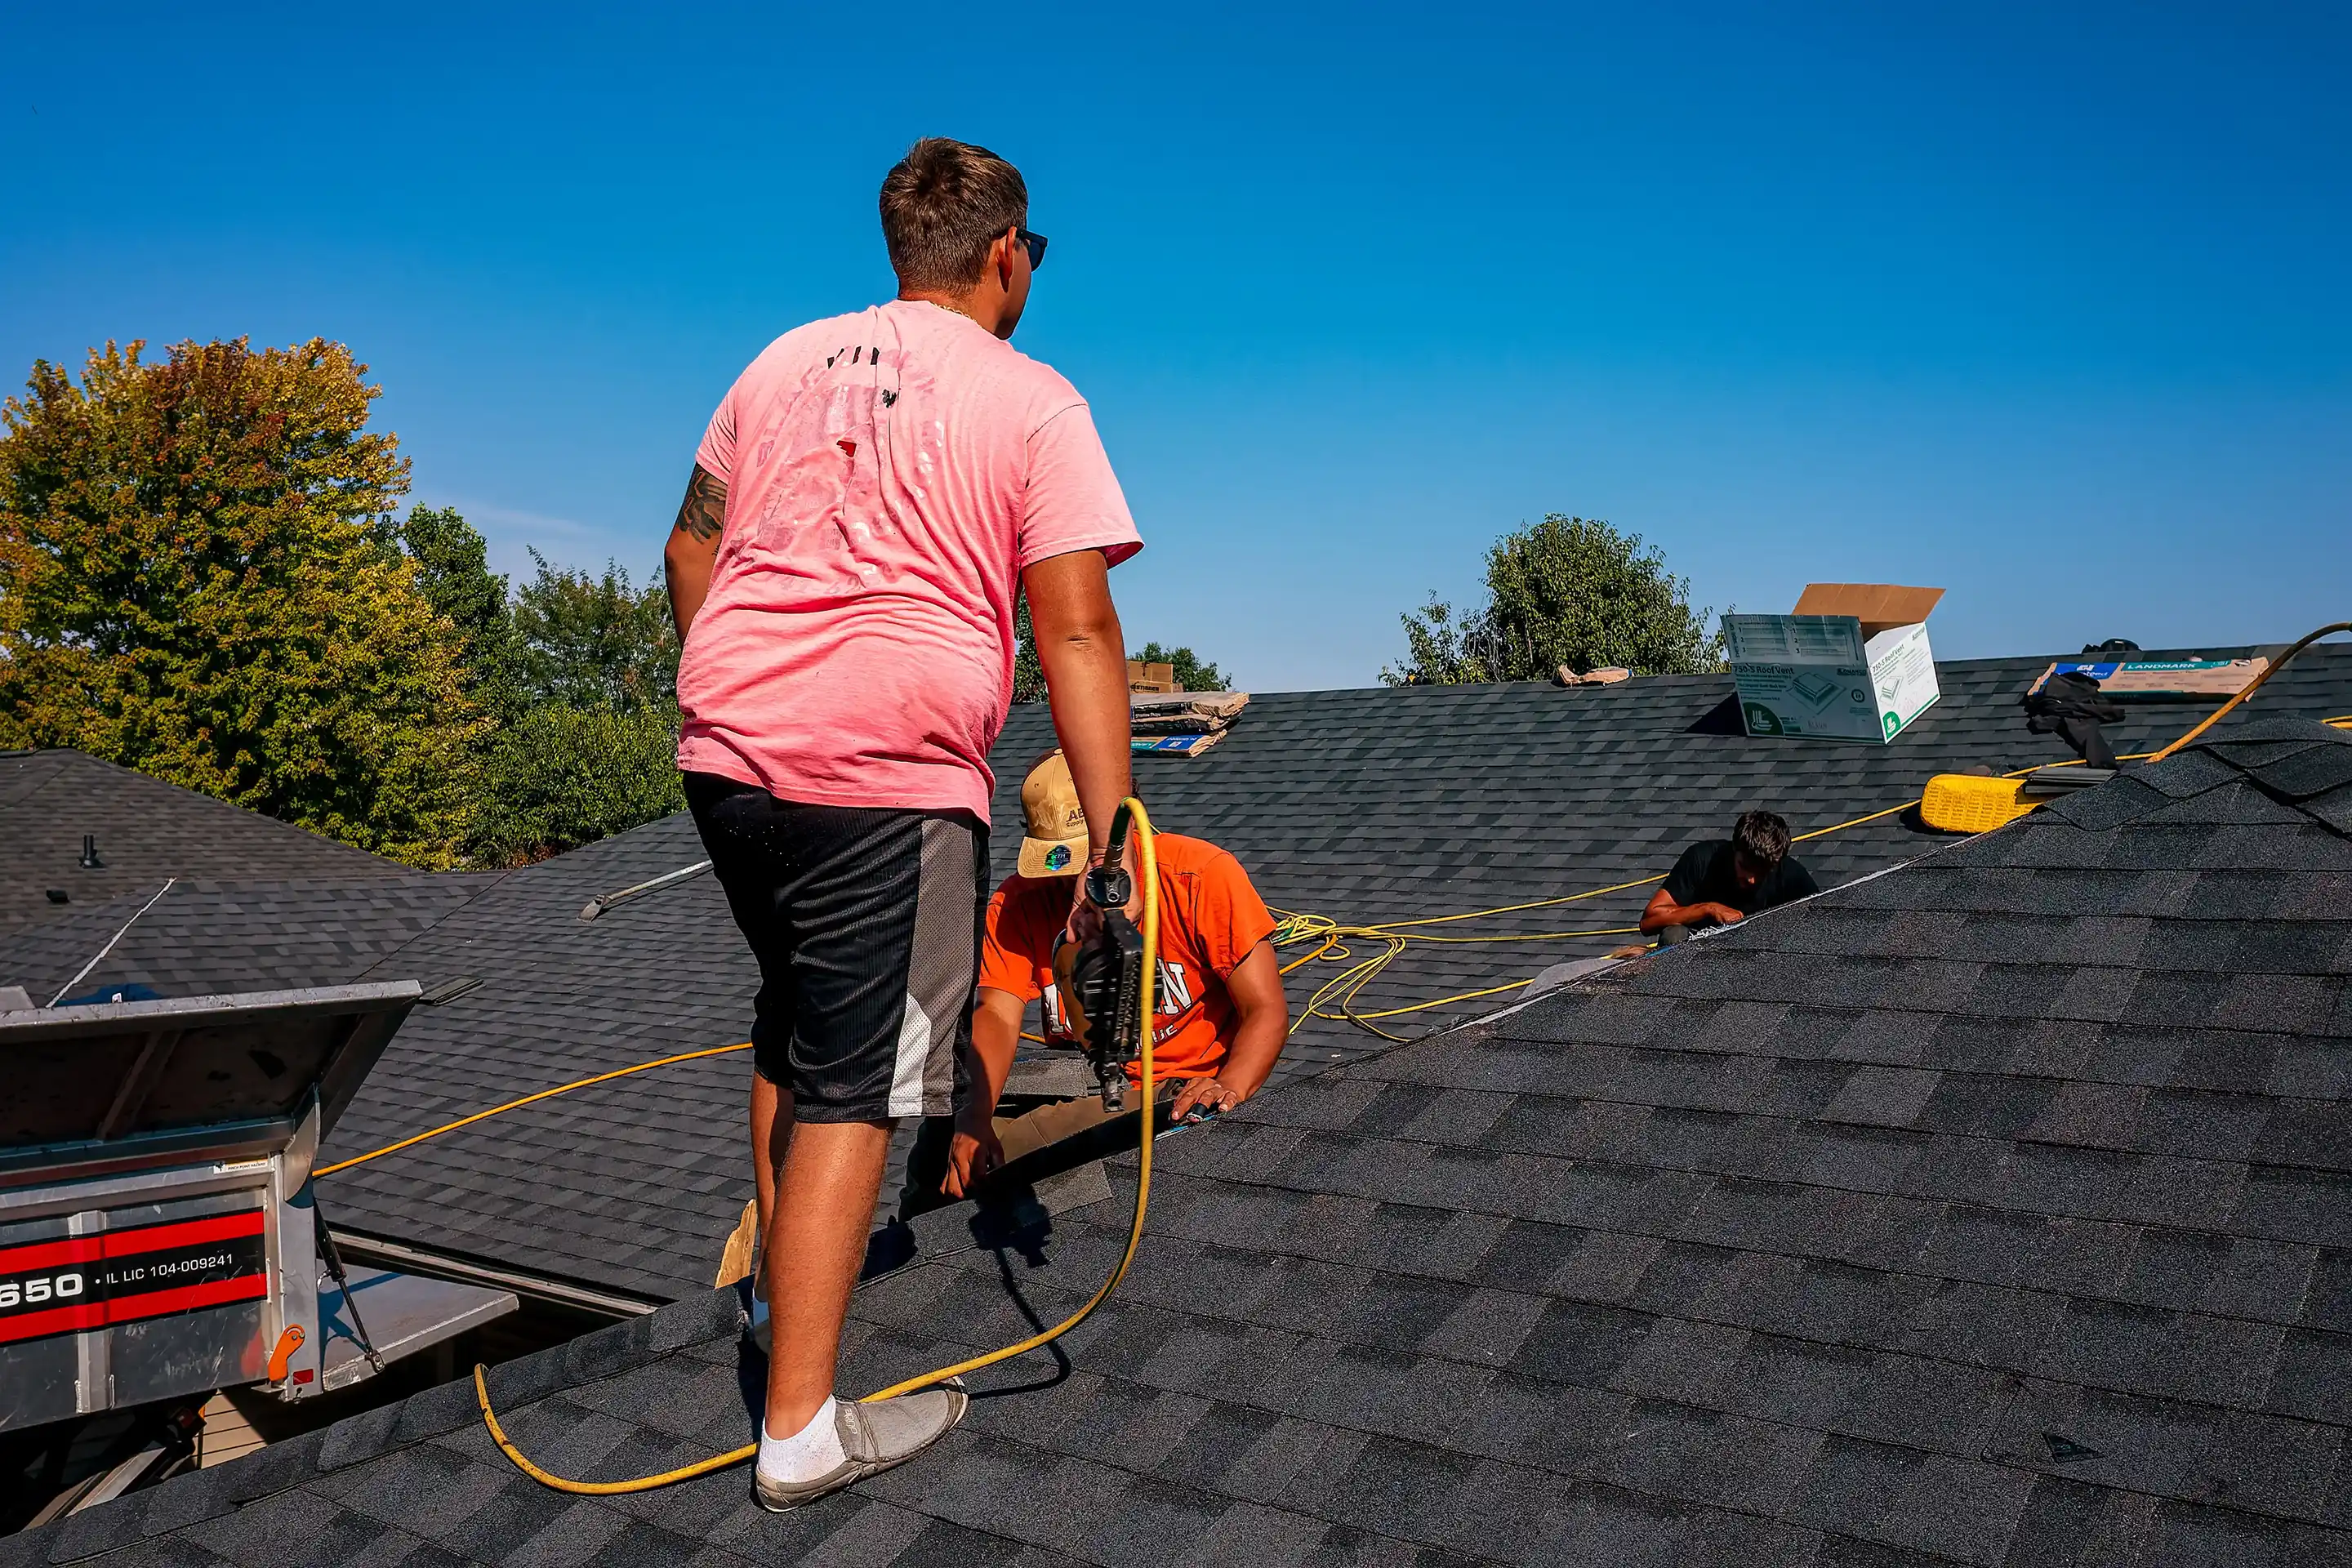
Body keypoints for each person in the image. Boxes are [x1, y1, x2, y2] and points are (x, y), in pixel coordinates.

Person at [663, 137, 1141, 1513]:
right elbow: (1075, 624)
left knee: (795, 1013)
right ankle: (801, 1427)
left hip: (730, 760)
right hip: (887, 779)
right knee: (859, 1085)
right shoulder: (1036, 399)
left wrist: (745, 686)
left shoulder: (777, 363)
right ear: (1006, 254)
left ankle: (770, 1320)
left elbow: (693, 545)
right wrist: (1112, 844)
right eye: (1032, 255)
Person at [919, 751, 1288, 1205]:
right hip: (1082, 1082)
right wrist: (973, 1118)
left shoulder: (1200, 878)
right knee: (942, 1144)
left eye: (1087, 867)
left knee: (1056, 1192)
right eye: (1061, 870)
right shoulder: (1019, 903)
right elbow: (995, 1012)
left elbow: (1265, 1009)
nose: (1073, 885)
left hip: (1178, 1090)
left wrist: (1229, 1085)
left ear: (1129, 830)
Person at [1641, 809, 1820, 943]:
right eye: (1744, 866)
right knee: (1674, 935)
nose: (1752, 879)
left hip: (1764, 959)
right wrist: (1708, 908)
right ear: (1734, 848)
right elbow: (1649, 922)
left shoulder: (1792, 875)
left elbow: (1825, 924)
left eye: (1762, 871)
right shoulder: (1702, 859)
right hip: (1700, 956)